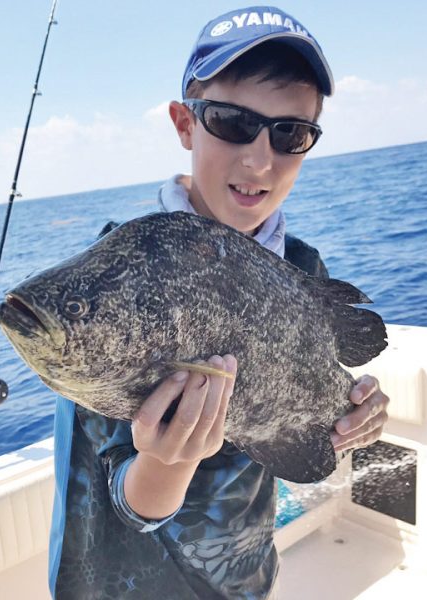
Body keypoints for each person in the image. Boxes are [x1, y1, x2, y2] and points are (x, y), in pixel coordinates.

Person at [48, 6, 390, 599]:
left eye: (290, 134)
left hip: (245, 581)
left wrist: (356, 416)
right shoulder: (124, 273)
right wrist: (167, 462)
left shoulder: (302, 269)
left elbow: (310, 429)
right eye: (232, 122)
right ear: (185, 124)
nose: (260, 160)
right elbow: (125, 500)